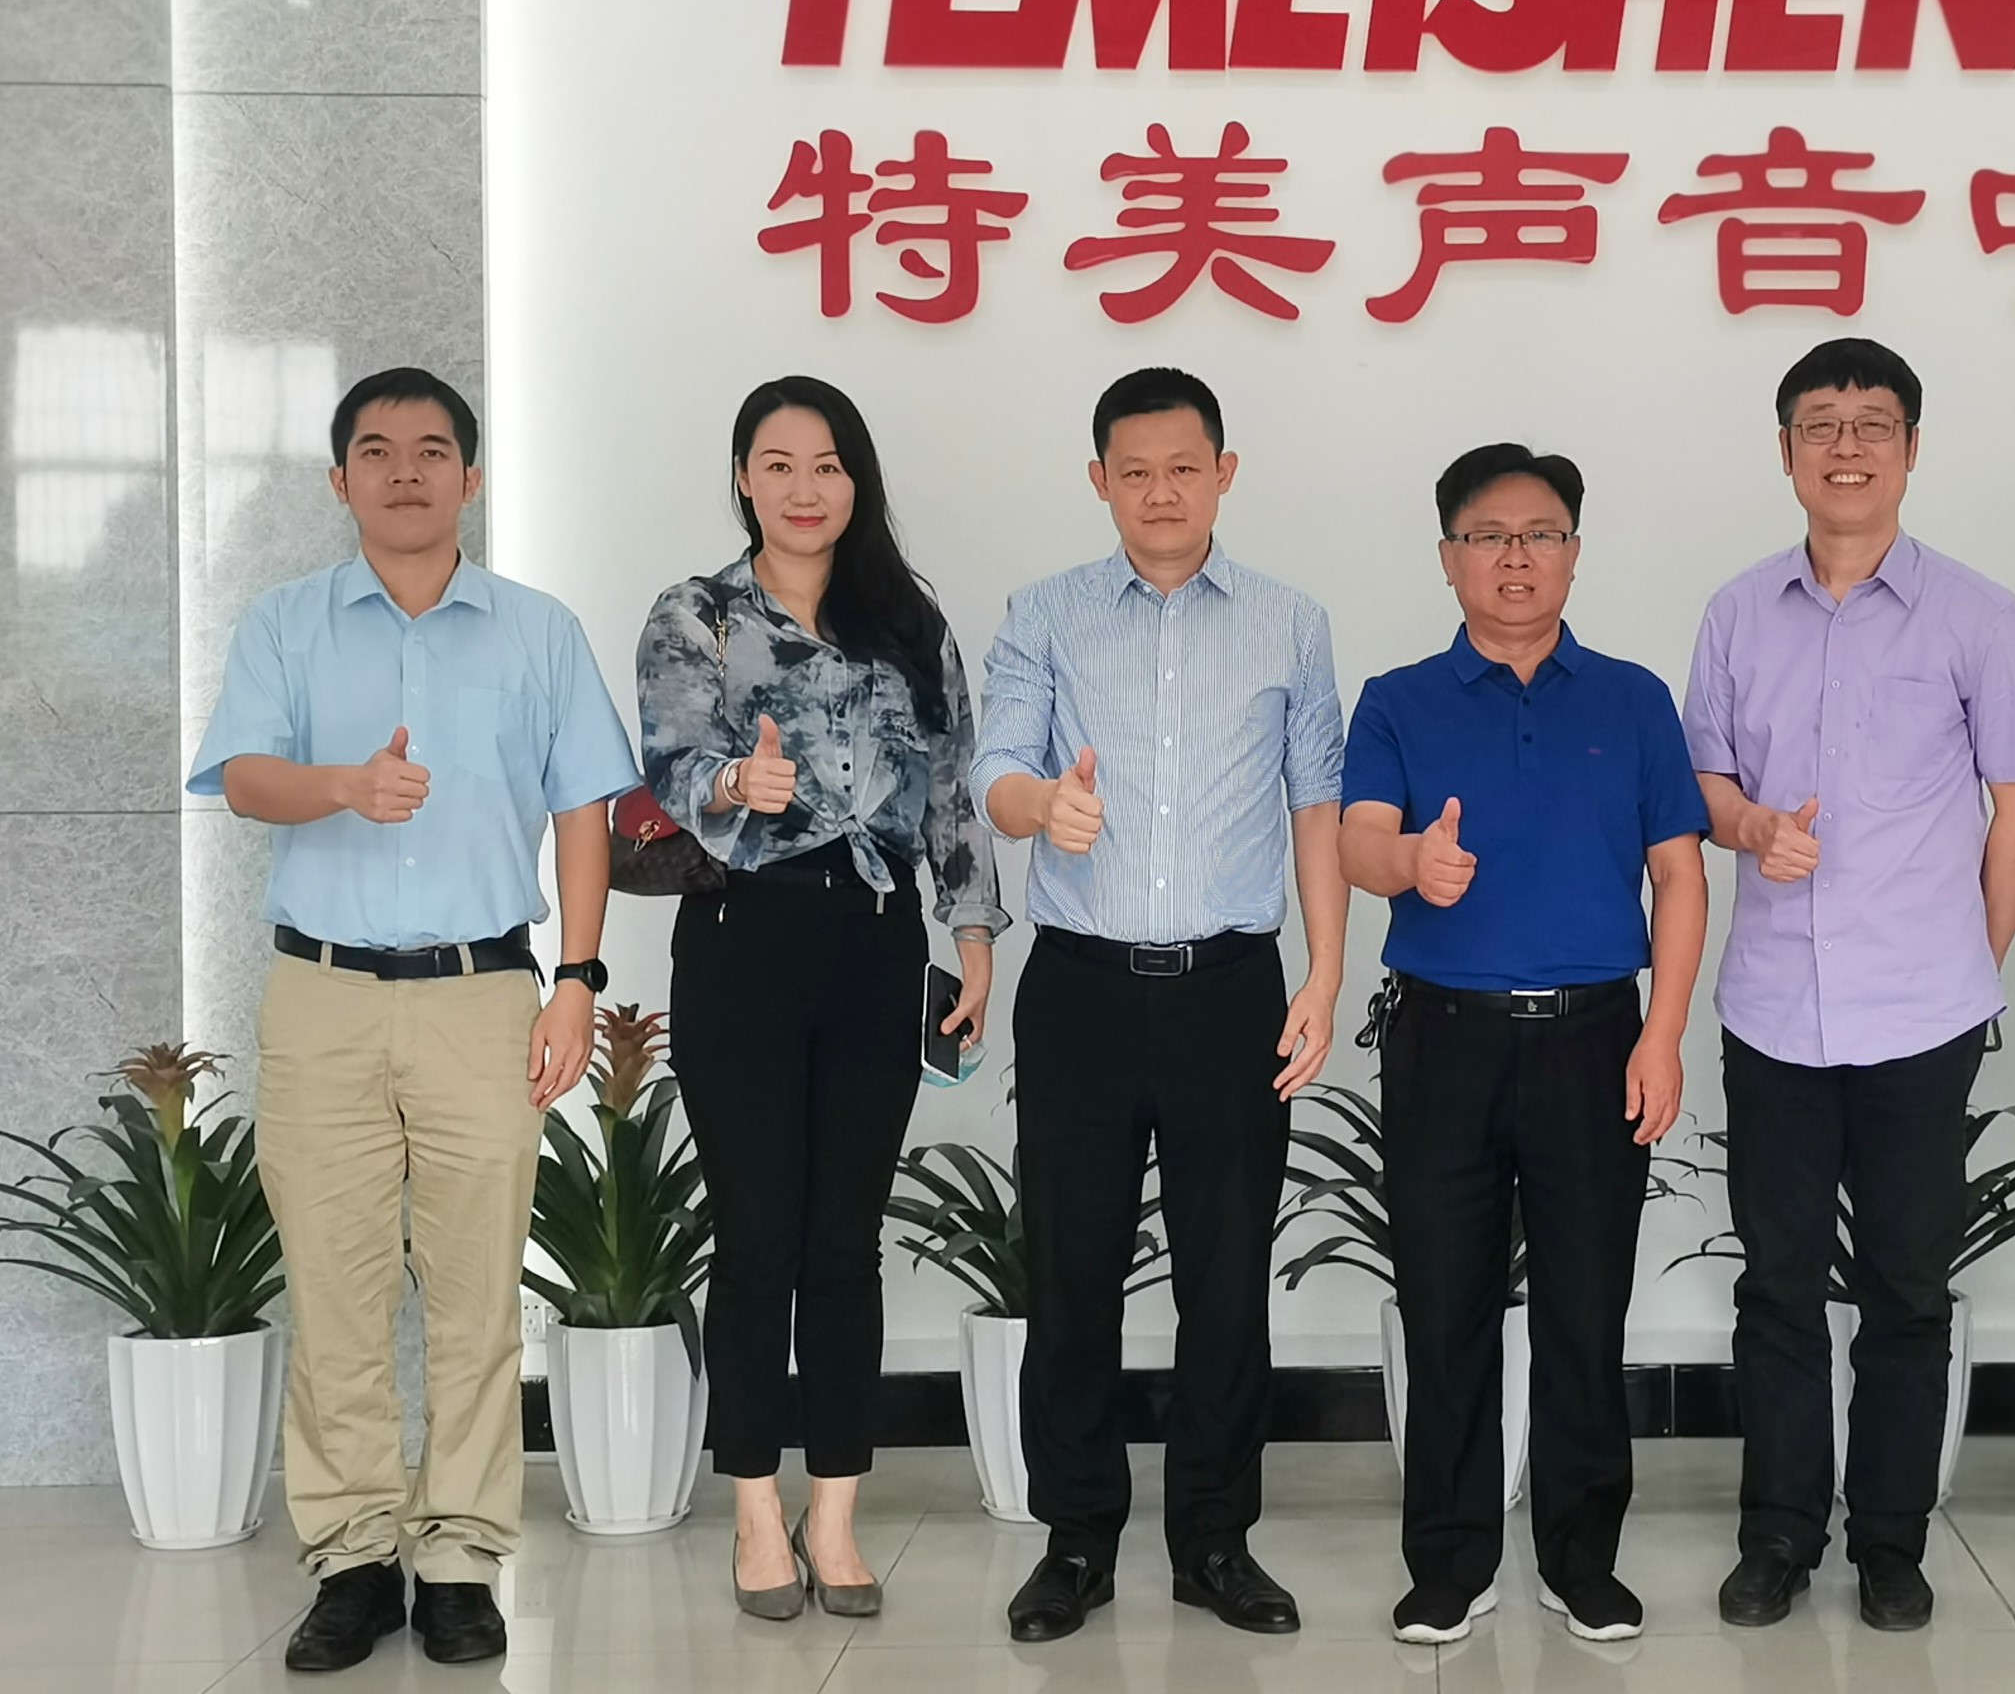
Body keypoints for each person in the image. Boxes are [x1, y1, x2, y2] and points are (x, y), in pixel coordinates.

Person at [189, 368, 638, 1672]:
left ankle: (457, 1560)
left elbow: (585, 810)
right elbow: (244, 779)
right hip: (320, 995)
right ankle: (351, 1560)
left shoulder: (537, 630)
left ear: (470, 477)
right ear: (340, 481)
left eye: (432, 449)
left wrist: (576, 979)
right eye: (376, 451)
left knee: (475, 1292)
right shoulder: (285, 623)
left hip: (482, 995)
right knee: (333, 1291)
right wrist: (343, 784)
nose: (404, 471)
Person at [974, 368, 1347, 1643]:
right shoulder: (1045, 613)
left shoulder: (1290, 623)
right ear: (1099, 482)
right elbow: (996, 769)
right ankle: (1076, 1539)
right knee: (1071, 1271)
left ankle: (1214, 1541)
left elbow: (1315, 804)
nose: (1160, 492)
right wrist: (1042, 805)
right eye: (1133, 471)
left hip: (1231, 990)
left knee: (1225, 1280)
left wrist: (1323, 972)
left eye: (1183, 467)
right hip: (1078, 989)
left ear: (1223, 472)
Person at [1682, 338, 2015, 1632]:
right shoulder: (1736, 612)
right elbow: (1704, 784)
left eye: (1872, 423)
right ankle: (1778, 1534)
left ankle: (1889, 1542)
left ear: (1909, 448)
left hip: (1921, 1014)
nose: (1846, 447)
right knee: (1776, 1288)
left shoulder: (1978, 616)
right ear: (1785, 449)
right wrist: (1748, 826)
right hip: (1773, 1007)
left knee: (1905, 1291)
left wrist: (1967, 959)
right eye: (1821, 424)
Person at [636, 375, 1007, 1620]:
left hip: (874, 942)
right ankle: (755, 1509)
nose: (805, 488)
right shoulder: (695, 614)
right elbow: (671, 765)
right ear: (744, 477)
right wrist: (735, 781)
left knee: (845, 1241)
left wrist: (972, 932)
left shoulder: (906, 616)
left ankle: (834, 1512)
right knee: (757, 1240)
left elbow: (952, 784)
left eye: (828, 464)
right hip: (742, 935)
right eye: (779, 463)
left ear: (858, 481)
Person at [1341, 442, 1710, 1648]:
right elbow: (1357, 842)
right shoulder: (1398, 698)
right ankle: (1448, 1562)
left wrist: (1662, 1033)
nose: (1514, 556)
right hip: (1441, 1038)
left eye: (1539, 533)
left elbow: (1678, 875)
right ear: (1447, 557)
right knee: (1443, 1305)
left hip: (1595, 1037)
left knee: (1583, 1308)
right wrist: (1413, 861)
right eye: (1488, 535)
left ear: (1573, 553)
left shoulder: (1631, 698)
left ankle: (1579, 1557)